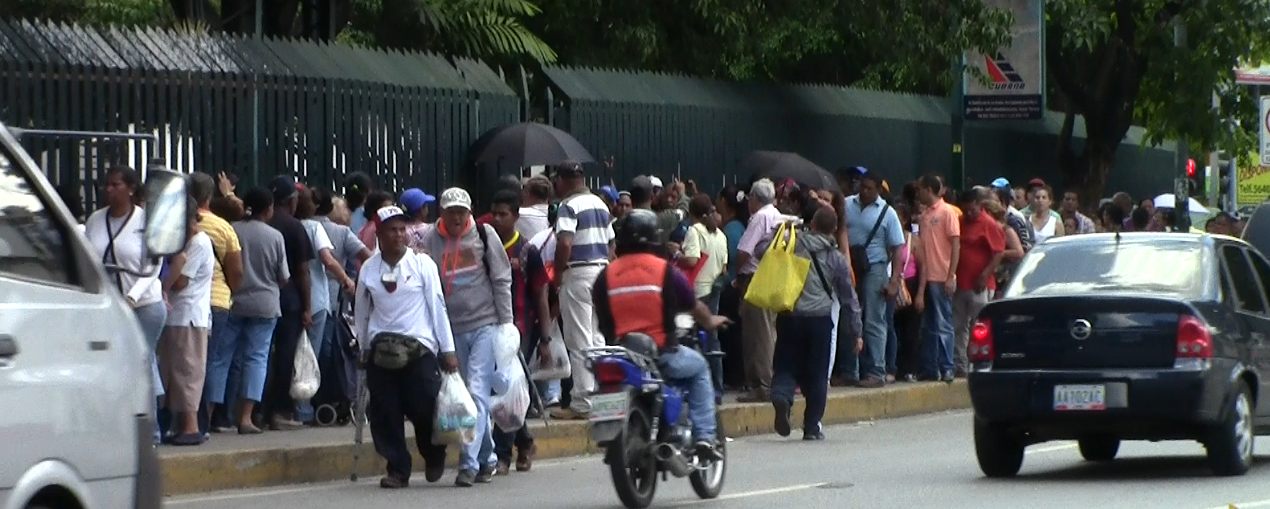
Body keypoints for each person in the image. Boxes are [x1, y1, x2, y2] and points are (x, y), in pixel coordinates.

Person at [592, 209, 729, 458]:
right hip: (660, 354)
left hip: (620, 354)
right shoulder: (664, 271)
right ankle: (706, 438)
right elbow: (691, 303)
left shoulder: (605, 276)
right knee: (699, 368)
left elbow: (602, 317)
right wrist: (709, 320)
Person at [353, 205, 458, 489]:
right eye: (392, 230)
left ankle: (433, 454)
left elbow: (437, 307)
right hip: (381, 348)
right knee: (385, 412)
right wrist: (362, 345)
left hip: (419, 347)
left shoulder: (423, 265)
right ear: (380, 234)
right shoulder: (369, 269)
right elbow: (362, 309)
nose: (399, 235)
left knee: (423, 405)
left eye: (402, 229)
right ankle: (397, 469)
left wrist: (447, 350)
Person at [417, 187, 514, 487]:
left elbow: (501, 278)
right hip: (450, 329)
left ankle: (468, 464)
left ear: (469, 212)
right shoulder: (431, 239)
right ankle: (489, 458)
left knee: (476, 391)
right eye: (451, 211)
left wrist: (507, 325)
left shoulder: (485, 235)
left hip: (485, 324)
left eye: (462, 211)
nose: (456, 216)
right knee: (467, 396)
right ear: (442, 213)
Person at [763, 207, 862, 440]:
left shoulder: (794, 244)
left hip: (790, 316)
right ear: (834, 230)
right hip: (819, 320)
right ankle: (811, 425)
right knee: (817, 374)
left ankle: (781, 396)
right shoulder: (836, 258)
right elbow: (849, 298)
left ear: (813, 224)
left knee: (786, 364)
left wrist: (780, 232)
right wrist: (856, 331)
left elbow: (762, 251)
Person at [84, 165, 166, 443]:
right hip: (109, 304)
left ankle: (151, 431)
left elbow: (154, 266)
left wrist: (133, 297)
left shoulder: (146, 222)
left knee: (141, 363)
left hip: (143, 306)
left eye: (116, 185)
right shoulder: (96, 220)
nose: (109, 190)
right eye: (106, 185)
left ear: (131, 189)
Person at [210, 188, 289, 434]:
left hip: (234, 302)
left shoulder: (231, 229)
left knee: (221, 358)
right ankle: (246, 418)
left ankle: (210, 414)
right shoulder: (275, 236)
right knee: (256, 358)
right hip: (265, 305)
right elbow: (283, 276)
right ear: (269, 209)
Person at [549, 162, 615, 421]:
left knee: (578, 339)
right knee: (597, 337)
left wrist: (557, 273)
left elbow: (565, 242)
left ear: (564, 180)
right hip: (601, 271)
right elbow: (611, 244)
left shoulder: (569, 206)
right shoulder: (600, 204)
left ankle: (582, 401)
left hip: (577, 272)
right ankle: (600, 394)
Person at [487, 190, 539, 474]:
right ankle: (526, 441)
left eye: (503, 214)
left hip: (521, 328)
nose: (497, 219)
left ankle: (503, 454)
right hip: (493, 326)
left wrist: (545, 337)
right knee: (505, 387)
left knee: (508, 386)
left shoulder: (527, 250)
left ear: (516, 217)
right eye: (494, 214)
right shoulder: (485, 246)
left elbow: (541, 293)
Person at [159, 197, 215, 446]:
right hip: (179, 316)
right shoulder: (189, 244)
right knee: (175, 371)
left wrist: (171, 272)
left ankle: (191, 426)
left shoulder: (199, 243)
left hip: (188, 316)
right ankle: (181, 424)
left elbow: (181, 282)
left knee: (187, 371)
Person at [844, 173, 905, 388]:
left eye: (869, 188)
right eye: (862, 187)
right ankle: (850, 370)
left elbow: (898, 248)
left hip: (875, 267)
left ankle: (877, 371)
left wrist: (895, 280)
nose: (864, 192)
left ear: (879, 190)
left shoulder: (888, 214)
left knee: (874, 320)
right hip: (850, 266)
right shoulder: (847, 205)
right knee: (849, 318)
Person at [265, 176, 316, 430]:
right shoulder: (295, 227)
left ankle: (255, 410)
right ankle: (281, 410)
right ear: (292, 201)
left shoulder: (263, 223)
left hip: (262, 298)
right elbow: (303, 270)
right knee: (285, 355)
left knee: (258, 355)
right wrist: (308, 307)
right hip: (290, 299)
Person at [734, 178, 782, 402]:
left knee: (757, 333)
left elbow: (744, 251)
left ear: (755, 198)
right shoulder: (777, 215)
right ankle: (766, 380)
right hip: (772, 276)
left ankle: (761, 383)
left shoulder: (760, 217)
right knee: (768, 331)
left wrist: (737, 274)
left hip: (755, 277)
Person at [952, 187, 1004, 375]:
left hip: (980, 284)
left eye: (972, 210)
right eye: (965, 210)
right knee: (958, 325)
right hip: (961, 283)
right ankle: (961, 363)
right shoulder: (960, 222)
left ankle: (980, 362)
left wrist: (985, 274)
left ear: (978, 206)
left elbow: (998, 252)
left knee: (978, 326)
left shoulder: (989, 224)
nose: (968, 213)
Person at [914, 175, 959, 383]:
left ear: (929, 190)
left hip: (941, 276)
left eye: (921, 189)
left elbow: (956, 244)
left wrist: (951, 276)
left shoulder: (947, 212)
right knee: (929, 324)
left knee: (943, 323)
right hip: (927, 275)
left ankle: (947, 365)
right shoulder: (924, 216)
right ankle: (931, 367)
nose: (918, 193)